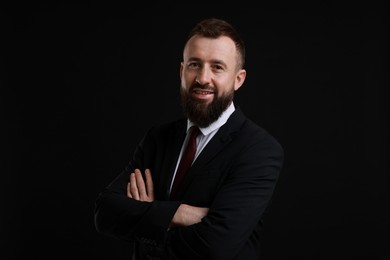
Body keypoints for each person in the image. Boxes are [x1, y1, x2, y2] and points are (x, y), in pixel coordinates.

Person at [94, 17, 284, 260]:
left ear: (239, 79)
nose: (203, 78)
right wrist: (180, 214)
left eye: (217, 67)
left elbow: (215, 247)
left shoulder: (259, 150)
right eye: (195, 64)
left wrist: (146, 217)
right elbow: (105, 213)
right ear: (182, 71)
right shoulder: (158, 138)